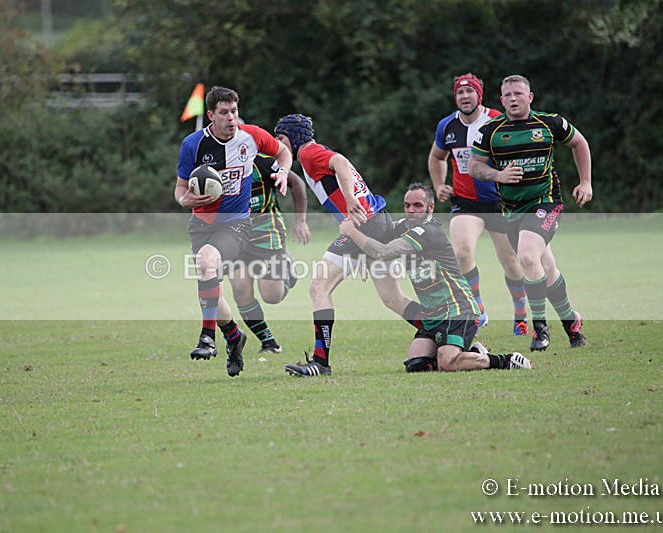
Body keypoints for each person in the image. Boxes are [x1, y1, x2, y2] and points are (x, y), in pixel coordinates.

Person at [274, 114, 425, 377]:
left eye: (281, 138)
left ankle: (321, 363)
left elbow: (340, 162)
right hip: (377, 222)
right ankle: (445, 331)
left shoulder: (309, 153)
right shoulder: (310, 155)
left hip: (364, 225)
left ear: (295, 138)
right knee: (393, 298)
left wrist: (349, 198)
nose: (278, 144)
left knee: (318, 286)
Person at [339, 183, 532, 372]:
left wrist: (351, 232)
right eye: (407, 206)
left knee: (447, 363)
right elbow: (380, 235)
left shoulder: (428, 231)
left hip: (457, 311)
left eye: (418, 206)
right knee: (417, 366)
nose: (411, 210)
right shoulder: (403, 227)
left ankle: (505, 360)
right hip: (433, 316)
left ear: (431, 207)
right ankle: (474, 352)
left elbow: (383, 251)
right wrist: (363, 257)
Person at [468, 74, 591, 351]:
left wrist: (585, 182)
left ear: (530, 97)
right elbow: (474, 166)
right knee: (545, 270)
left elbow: (579, 143)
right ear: (501, 100)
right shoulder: (492, 130)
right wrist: (498, 174)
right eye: (508, 95)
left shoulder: (550, 123)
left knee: (525, 255)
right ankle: (572, 323)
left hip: (546, 202)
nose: (513, 99)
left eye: (518, 94)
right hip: (511, 212)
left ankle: (540, 329)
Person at [175, 86, 292, 377]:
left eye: (234, 111)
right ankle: (233, 336)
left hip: (237, 223)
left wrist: (283, 172)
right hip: (201, 224)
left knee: (206, 262)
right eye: (224, 113)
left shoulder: (250, 135)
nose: (231, 118)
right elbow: (180, 189)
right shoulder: (192, 145)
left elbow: (283, 152)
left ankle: (207, 337)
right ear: (211, 115)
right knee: (213, 290)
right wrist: (187, 199)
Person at [428, 73, 529, 336]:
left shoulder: (497, 121)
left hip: (499, 202)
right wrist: (439, 185)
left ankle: (520, 314)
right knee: (461, 253)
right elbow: (436, 157)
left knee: (511, 262)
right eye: (460, 93)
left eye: (469, 92)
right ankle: (478, 310)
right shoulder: (448, 126)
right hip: (465, 202)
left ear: (479, 95)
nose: (464, 97)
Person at [228, 152, 311, 354]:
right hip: (235, 236)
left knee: (272, 296)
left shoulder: (263, 162)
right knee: (240, 289)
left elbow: (297, 183)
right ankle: (269, 343)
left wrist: (300, 221)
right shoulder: (219, 166)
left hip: (267, 232)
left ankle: (287, 270)